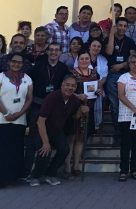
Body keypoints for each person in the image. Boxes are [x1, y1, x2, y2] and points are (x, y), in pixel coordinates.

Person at [0, 53, 33, 189]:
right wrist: (6, 113)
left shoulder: (27, 79)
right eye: (14, 62)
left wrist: (20, 113)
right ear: (9, 62)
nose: (16, 64)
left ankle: (9, 178)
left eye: (19, 62)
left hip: (18, 120)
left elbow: (29, 99)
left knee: (13, 151)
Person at [30, 75, 88, 187]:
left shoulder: (74, 100)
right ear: (62, 85)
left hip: (57, 130)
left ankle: (50, 174)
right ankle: (35, 176)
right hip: (41, 129)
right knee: (44, 151)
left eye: (73, 86)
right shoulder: (52, 97)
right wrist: (46, 142)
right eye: (67, 85)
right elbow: (40, 121)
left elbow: (75, 117)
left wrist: (82, 111)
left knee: (64, 149)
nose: (70, 88)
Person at [24, 42, 69, 178]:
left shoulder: (63, 68)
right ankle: (27, 173)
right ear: (47, 52)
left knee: (59, 143)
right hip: (37, 106)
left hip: (55, 109)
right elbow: (29, 85)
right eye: (51, 50)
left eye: (57, 50)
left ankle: (49, 172)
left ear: (61, 53)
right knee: (34, 141)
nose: (54, 52)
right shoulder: (38, 67)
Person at [66, 50, 101, 178]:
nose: (84, 61)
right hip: (73, 108)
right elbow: (66, 89)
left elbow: (98, 87)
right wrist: (77, 95)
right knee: (71, 138)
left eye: (87, 59)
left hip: (88, 109)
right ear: (78, 60)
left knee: (81, 138)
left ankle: (76, 165)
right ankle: (67, 167)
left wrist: (98, 91)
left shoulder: (94, 73)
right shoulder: (71, 73)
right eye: (82, 58)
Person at [106, 17, 136, 146]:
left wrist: (122, 65)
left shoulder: (129, 41)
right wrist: (111, 35)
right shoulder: (109, 39)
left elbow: (133, 58)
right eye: (120, 25)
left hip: (126, 75)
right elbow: (109, 52)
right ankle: (118, 134)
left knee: (128, 105)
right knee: (115, 107)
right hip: (112, 77)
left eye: (125, 26)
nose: (122, 28)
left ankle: (127, 134)